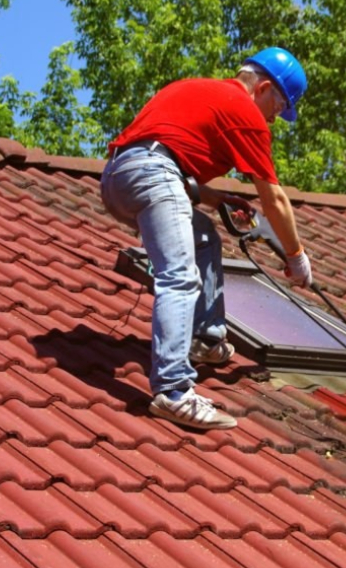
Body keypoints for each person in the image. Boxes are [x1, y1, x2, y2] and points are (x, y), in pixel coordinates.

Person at [100, 47, 312, 430]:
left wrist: (215, 198)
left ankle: (207, 339)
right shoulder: (246, 112)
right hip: (154, 173)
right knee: (179, 276)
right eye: (278, 108)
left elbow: (158, 156)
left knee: (203, 238)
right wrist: (295, 256)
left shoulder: (197, 88)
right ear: (264, 88)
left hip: (117, 178)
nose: (274, 119)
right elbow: (274, 198)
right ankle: (174, 391)